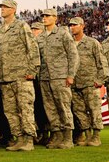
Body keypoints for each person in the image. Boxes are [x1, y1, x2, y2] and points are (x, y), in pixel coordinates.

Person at [0, 0, 40, 152]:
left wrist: (32, 70)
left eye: (5, 7)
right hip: (5, 78)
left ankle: (28, 140)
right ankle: (18, 138)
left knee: (25, 108)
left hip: (21, 75)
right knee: (10, 111)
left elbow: (32, 48)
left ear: (13, 9)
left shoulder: (21, 26)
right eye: (1, 7)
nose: (2, 9)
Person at [37, 9, 79, 149]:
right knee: (50, 108)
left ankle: (67, 137)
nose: (44, 18)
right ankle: (57, 135)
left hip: (60, 76)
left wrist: (71, 75)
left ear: (55, 18)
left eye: (47, 16)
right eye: (43, 16)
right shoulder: (40, 37)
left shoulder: (63, 33)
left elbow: (73, 55)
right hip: (45, 77)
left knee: (63, 106)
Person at [68, 17, 108, 147]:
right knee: (79, 112)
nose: (72, 27)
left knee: (94, 110)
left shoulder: (92, 43)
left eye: (75, 25)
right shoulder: (69, 44)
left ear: (82, 26)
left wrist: (100, 79)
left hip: (90, 83)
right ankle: (87, 135)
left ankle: (96, 136)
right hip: (74, 84)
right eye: (70, 25)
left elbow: (102, 62)